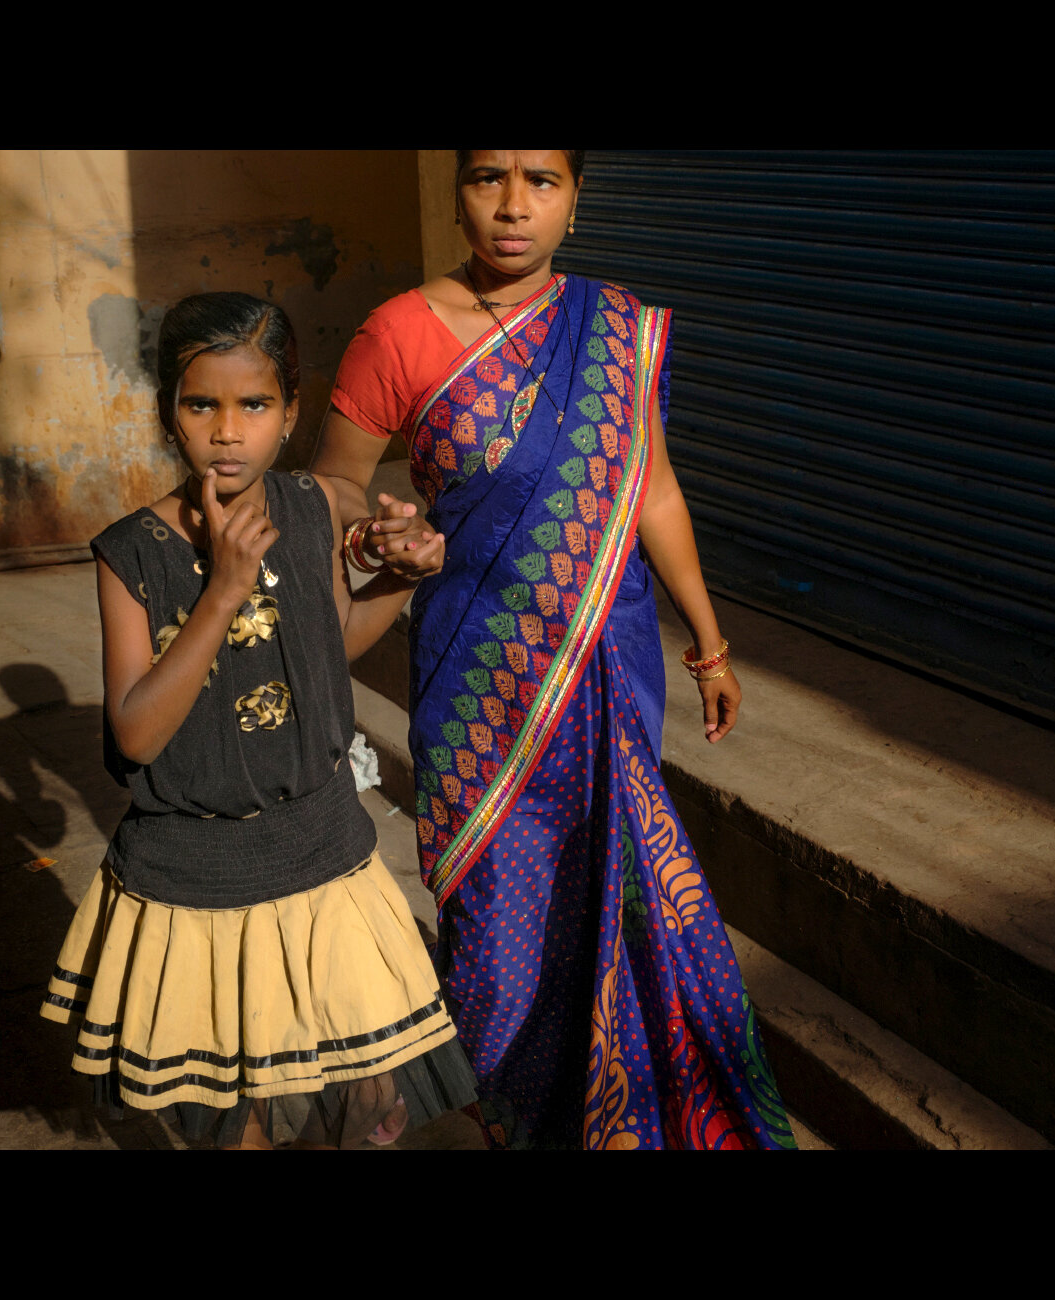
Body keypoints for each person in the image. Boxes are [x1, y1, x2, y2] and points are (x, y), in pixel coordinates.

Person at [310, 151, 796, 1149]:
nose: (514, 204)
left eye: (542, 179)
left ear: (577, 200)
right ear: (457, 191)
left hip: (610, 672)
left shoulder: (615, 325)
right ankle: (517, 1126)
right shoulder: (396, 330)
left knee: (619, 909)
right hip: (480, 691)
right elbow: (331, 487)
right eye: (490, 176)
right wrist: (373, 539)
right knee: (496, 946)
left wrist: (708, 643)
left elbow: (653, 489)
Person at [40, 291, 479, 1149]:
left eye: (255, 405)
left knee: (355, 1100)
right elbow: (133, 734)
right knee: (240, 1116)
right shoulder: (132, 552)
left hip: (321, 860)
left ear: (290, 414)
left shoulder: (313, 508)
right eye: (202, 404)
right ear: (170, 411)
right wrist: (224, 588)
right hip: (198, 879)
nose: (228, 431)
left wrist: (400, 578)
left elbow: (330, 645)